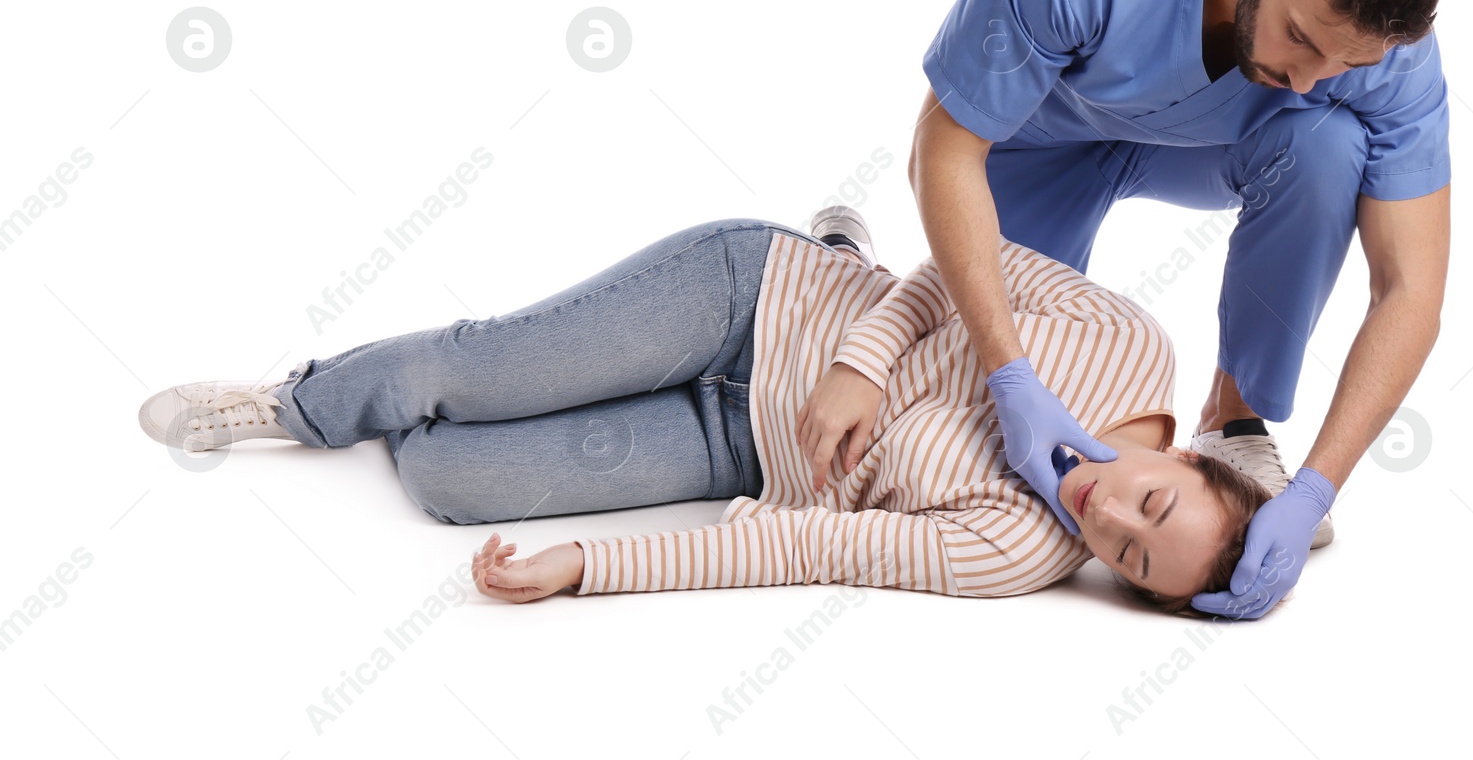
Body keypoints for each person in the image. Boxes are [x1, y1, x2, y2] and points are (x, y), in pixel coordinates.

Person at [138, 210, 1270, 614]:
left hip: (737, 439)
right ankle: (297, 401)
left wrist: (585, 564)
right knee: (472, 371)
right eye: (1152, 501)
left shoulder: (1016, 549)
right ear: (1194, 460)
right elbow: (959, 265)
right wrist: (864, 365)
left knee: (448, 485)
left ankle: (840, 244)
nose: (1105, 512)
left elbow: (798, 540)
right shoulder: (1127, 340)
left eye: (1127, 556)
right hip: (756, 301)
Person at [908, 0, 1451, 618]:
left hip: (1207, 148)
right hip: (1034, 140)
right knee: (961, 383)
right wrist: (1008, 374)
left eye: (1343, 64)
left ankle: (1232, 420)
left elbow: (1411, 291)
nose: (1309, 80)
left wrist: (1315, 489)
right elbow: (944, 149)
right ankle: (838, 263)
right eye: (1299, 37)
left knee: (1327, 143)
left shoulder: (1383, 55)